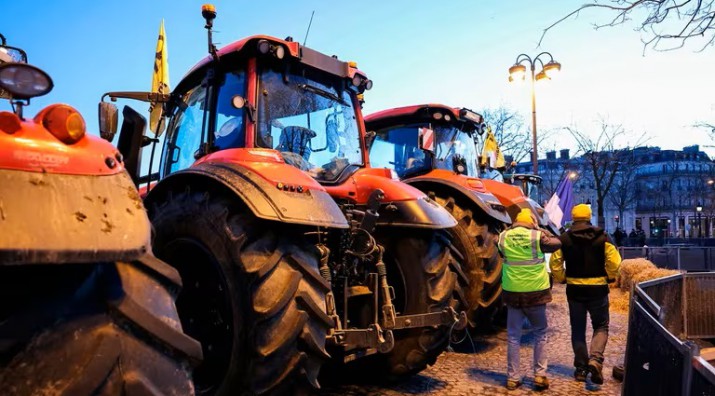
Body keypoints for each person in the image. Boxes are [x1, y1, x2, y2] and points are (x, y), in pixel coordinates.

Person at [549, 204, 622, 385]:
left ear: (573, 218)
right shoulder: (603, 237)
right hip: (598, 290)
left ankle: (581, 369)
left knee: (578, 330)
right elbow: (615, 262)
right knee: (601, 326)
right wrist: (610, 277)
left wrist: (562, 278)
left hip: (575, 291)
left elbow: (555, 264)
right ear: (589, 217)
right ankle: (595, 360)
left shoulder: (564, 239)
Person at [497, 208, 562, 391]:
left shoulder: (503, 237)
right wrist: (542, 230)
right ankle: (540, 376)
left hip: (513, 293)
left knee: (513, 336)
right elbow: (557, 243)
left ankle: (512, 378)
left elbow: (502, 252)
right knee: (540, 334)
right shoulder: (537, 237)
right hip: (536, 293)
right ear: (532, 222)